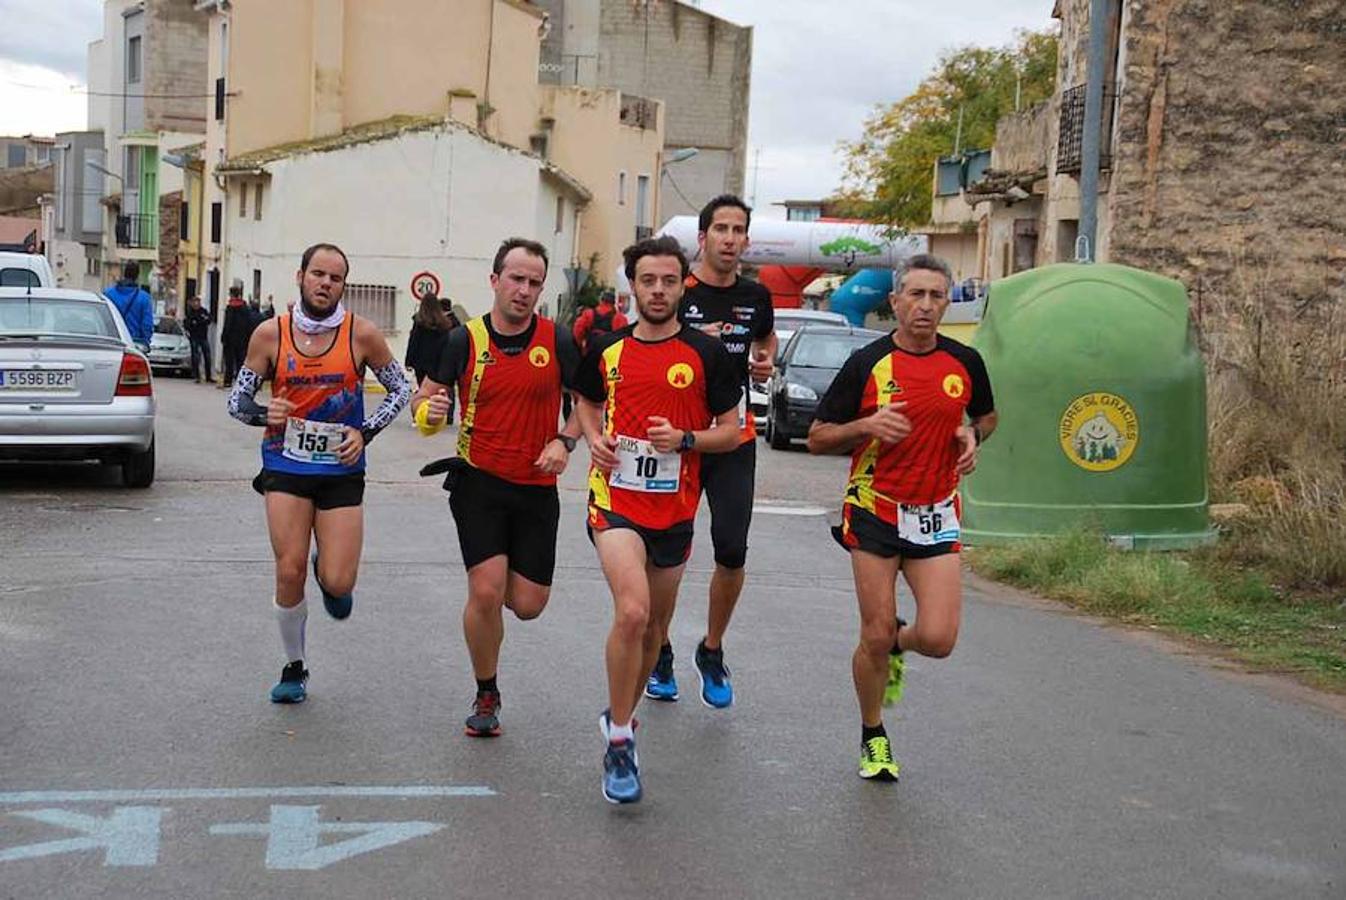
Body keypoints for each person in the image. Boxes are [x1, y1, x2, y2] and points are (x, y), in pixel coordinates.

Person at [806, 253, 997, 782]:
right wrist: (866, 425)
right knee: (873, 630)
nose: (926, 306)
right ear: (895, 302)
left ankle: (898, 642)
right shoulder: (867, 364)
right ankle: (874, 735)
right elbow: (819, 436)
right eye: (916, 295)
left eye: (937, 296)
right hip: (875, 508)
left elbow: (986, 414)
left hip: (936, 511)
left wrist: (972, 435)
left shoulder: (964, 362)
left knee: (937, 639)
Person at [575, 235, 742, 804]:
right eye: (648, 280)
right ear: (633, 285)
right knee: (632, 610)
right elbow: (588, 400)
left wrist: (687, 439)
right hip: (615, 501)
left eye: (669, 281)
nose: (658, 290)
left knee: (653, 632)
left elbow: (734, 429)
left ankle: (621, 711)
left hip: (675, 509)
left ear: (681, 286)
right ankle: (620, 738)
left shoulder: (707, 355)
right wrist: (596, 439)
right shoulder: (607, 349)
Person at [410, 238, 583, 738]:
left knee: (528, 605)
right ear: (494, 281)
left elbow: (589, 404)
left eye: (533, 283)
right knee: (485, 592)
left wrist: (564, 441)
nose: (524, 291)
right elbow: (424, 406)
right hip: (478, 482)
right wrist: (430, 413)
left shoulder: (559, 340)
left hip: (535, 488)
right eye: (515, 279)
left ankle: (503, 586)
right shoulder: (463, 340)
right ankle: (487, 691)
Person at [227, 242, 411, 704]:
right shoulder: (270, 334)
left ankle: (327, 573)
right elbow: (236, 401)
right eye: (318, 274)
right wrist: (263, 414)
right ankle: (294, 667)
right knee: (288, 570)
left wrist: (364, 433)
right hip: (284, 464)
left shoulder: (361, 334)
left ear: (343, 286)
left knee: (339, 582)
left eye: (335, 278)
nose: (326, 283)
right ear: (301, 277)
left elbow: (399, 389)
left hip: (341, 469)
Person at [645, 194, 776, 708]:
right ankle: (659, 651)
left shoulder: (756, 294)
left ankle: (712, 649)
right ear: (702, 238)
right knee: (665, 555)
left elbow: (765, 339)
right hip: (672, 440)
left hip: (731, 439)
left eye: (737, 229)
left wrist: (764, 363)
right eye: (719, 228)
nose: (728, 237)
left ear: (746, 239)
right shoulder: (679, 288)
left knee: (731, 549)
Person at [404, 290, 455, 387]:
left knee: (423, 388)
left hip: (421, 363)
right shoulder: (444, 323)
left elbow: (414, 342)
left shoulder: (419, 322)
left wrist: (409, 361)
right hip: (438, 363)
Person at [103, 260, 154, 350]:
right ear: (137, 276)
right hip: (135, 344)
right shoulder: (144, 298)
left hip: (112, 342)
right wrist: (145, 343)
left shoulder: (108, 294)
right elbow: (147, 325)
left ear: (124, 273)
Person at [572, 288, 629, 356]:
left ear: (601, 301)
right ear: (613, 303)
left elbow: (577, 331)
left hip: (590, 355)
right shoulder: (620, 319)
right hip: (609, 358)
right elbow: (624, 340)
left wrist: (580, 348)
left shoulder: (589, 314)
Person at [222, 283, 253, 387]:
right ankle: (241, 382)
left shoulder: (230, 308)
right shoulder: (245, 308)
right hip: (242, 339)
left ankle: (228, 381)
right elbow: (249, 323)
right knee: (241, 361)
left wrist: (224, 337)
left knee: (229, 361)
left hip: (230, 339)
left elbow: (228, 324)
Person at [183, 295, 213, 383]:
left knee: (207, 356)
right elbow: (188, 324)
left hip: (203, 336)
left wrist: (198, 322)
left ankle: (208, 376)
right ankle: (196, 376)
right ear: (192, 303)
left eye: (198, 302)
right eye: (195, 302)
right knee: (195, 357)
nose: (196, 304)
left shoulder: (203, 311)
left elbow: (209, 320)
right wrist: (197, 322)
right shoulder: (190, 313)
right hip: (194, 337)